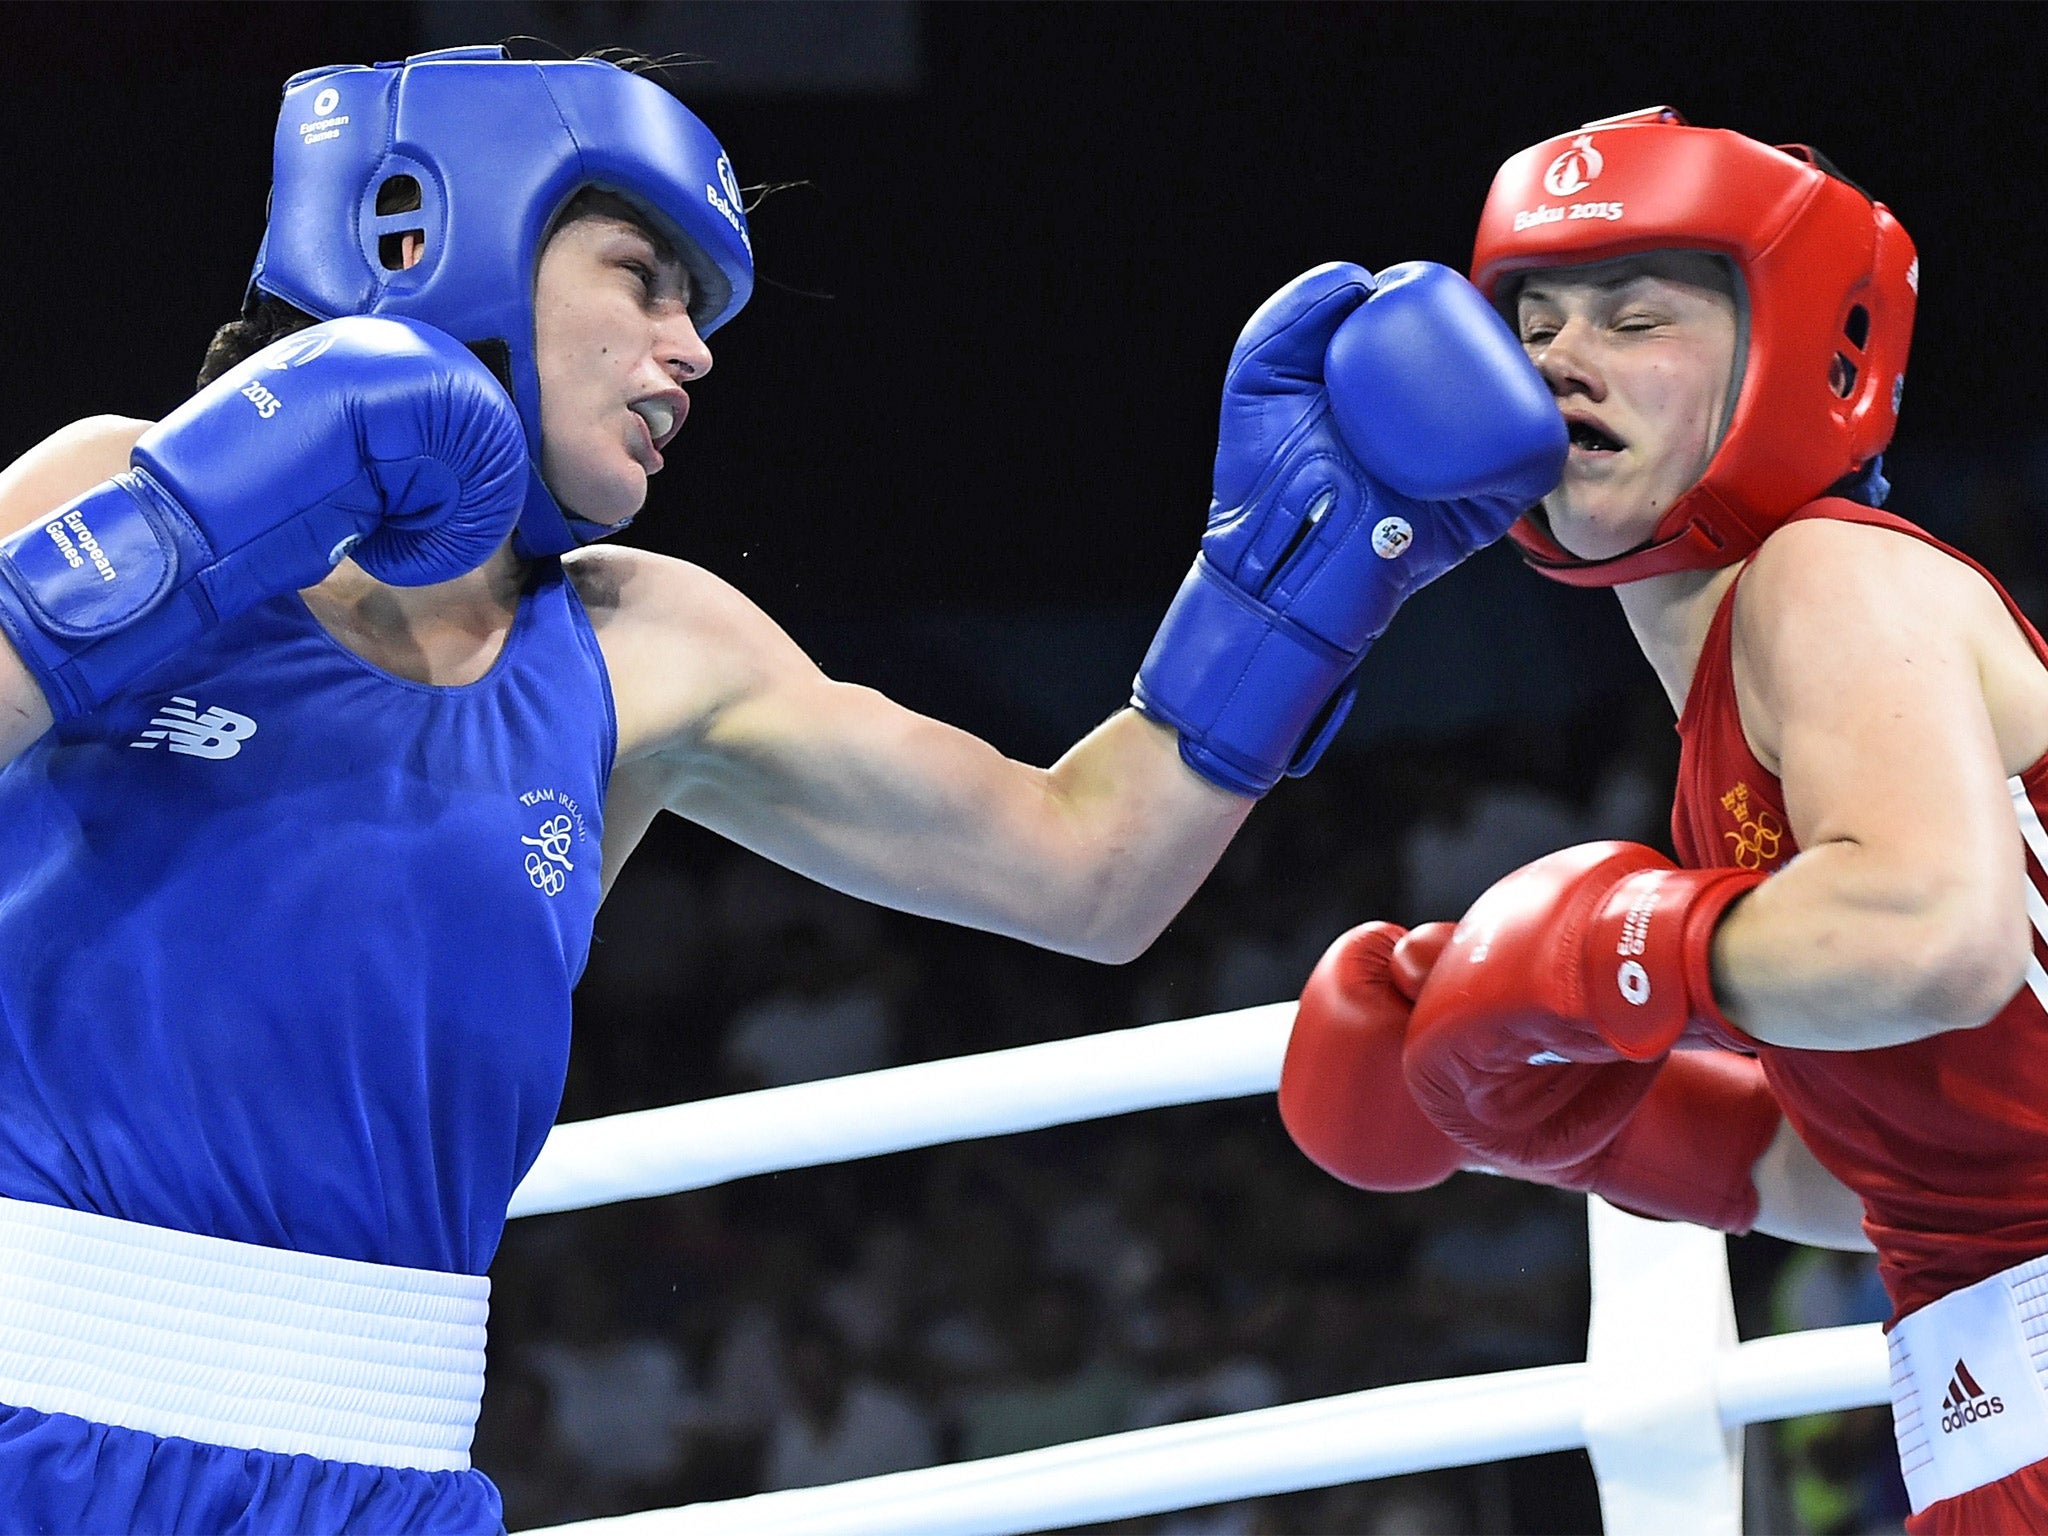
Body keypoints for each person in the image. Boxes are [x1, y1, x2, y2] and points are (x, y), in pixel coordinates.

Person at [0, 45, 1566, 1534]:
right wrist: (186, 536)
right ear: (442, 241)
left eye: (704, 311)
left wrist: (1300, 590)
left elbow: (1090, 875)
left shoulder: (647, 646)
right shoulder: (113, 483)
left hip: (381, 1469)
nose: (690, 349)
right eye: (642, 280)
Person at [1276, 105, 2048, 1533]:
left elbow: (1938, 936)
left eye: (1638, 319)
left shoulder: (1829, 579)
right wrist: (1592, 1129)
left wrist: (1596, 956)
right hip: (1981, 1391)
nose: (1563, 355)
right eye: (1537, 317)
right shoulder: (1732, 709)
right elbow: (1909, 1159)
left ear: (1808, 353)